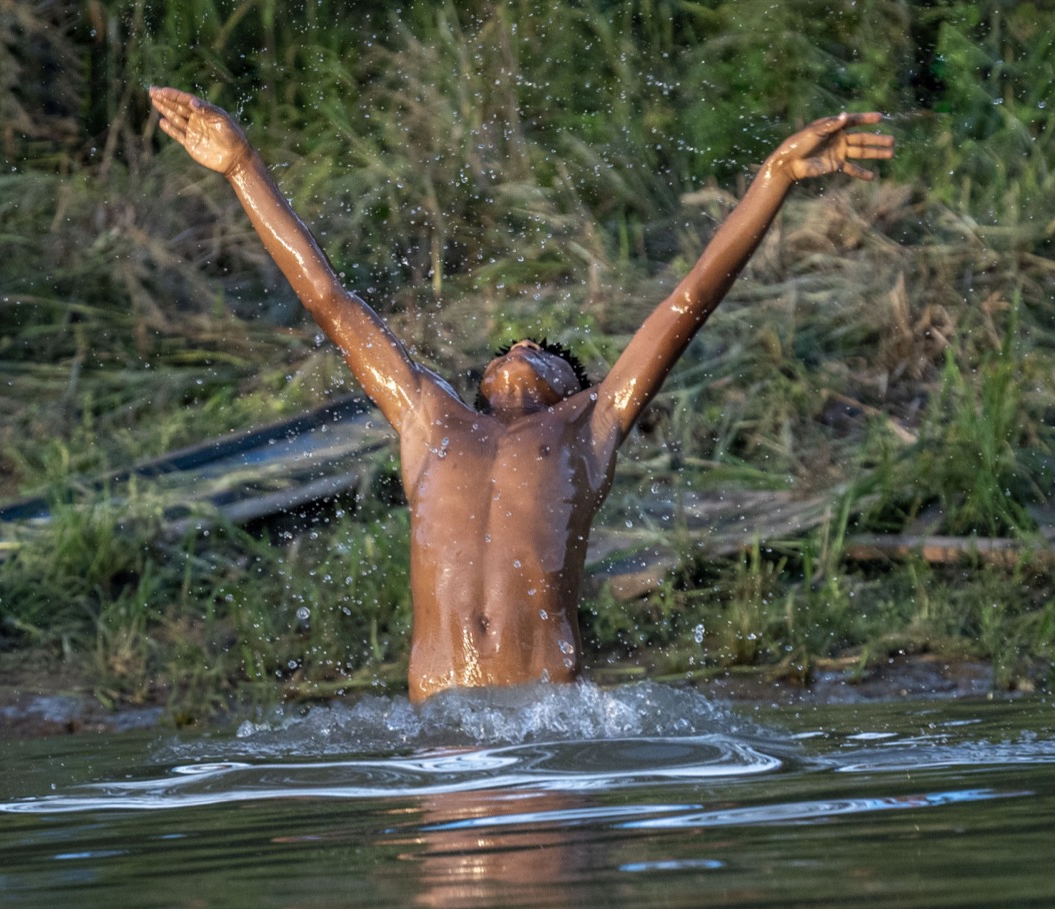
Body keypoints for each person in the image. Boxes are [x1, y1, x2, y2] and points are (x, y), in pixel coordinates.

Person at [148, 86, 894, 701]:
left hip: (549, 718)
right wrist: (243, 166)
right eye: (510, 348)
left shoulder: (589, 428)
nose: (522, 350)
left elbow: (685, 302)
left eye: (546, 354)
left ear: (576, 391)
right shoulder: (428, 418)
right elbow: (331, 302)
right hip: (441, 729)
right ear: (477, 386)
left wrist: (774, 178)